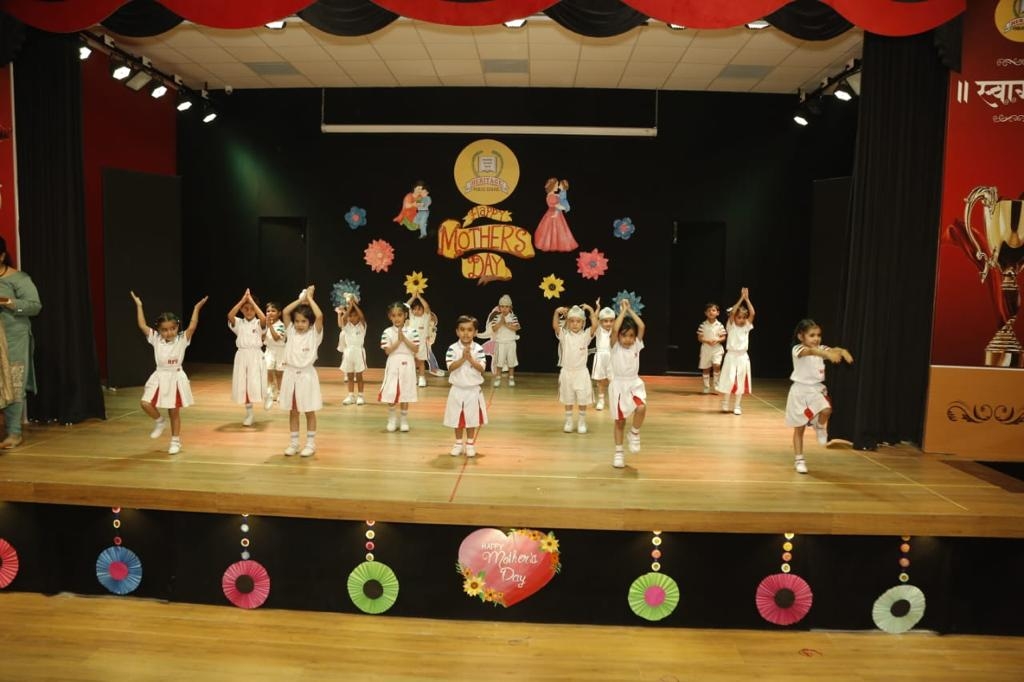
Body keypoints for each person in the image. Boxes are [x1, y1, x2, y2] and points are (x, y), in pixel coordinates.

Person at [130, 290, 208, 455]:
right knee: (145, 403)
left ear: (177, 327)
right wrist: (139, 305)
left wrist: (196, 308)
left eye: (173, 328)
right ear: (159, 330)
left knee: (174, 411)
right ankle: (159, 421)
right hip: (159, 376)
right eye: (165, 330)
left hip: (175, 377)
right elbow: (142, 325)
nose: (169, 332)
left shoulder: (182, 339)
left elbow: (193, 326)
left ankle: (175, 441)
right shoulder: (156, 339)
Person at [786, 319, 854, 474]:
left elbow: (833, 349)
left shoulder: (821, 348)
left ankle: (820, 426)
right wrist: (826, 354)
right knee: (799, 429)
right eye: (812, 335)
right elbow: (811, 352)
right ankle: (799, 460)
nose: (816, 338)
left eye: (818, 335)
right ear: (801, 336)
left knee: (826, 410)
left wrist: (843, 351)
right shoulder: (798, 349)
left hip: (816, 389)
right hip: (799, 392)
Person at [0, 238, 41, 449]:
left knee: (14, 382)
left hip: (14, 338)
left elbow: (35, 306)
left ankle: (14, 433)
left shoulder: (19, 279)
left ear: (1, 256)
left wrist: (8, 302)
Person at [279, 286, 324, 457]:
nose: (299, 324)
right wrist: (301, 299)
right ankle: (294, 443)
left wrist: (310, 299)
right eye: (297, 321)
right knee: (293, 411)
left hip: (307, 375)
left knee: (309, 410)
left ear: (309, 323)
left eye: (303, 321)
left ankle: (311, 444)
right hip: (290, 374)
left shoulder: (314, 334)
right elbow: (285, 311)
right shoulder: (290, 331)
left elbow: (319, 316)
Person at [609, 299, 647, 469]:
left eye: (631, 336)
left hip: (633, 383)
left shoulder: (636, 346)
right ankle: (618, 452)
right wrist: (622, 311)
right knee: (620, 422)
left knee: (641, 408)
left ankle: (634, 433)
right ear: (619, 336)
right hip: (618, 386)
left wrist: (630, 310)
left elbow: (642, 326)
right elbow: (615, 328)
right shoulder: (615, 346)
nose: (628, 339)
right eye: (624, 335)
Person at [444, 315, 488, 458]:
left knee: (471, 419)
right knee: (457, 418)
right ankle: (458, 444)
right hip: (457, 389)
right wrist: (463, 358)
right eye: (462, 330)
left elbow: (482, 368)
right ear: (457, 331)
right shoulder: (452, 348)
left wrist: (470, 359)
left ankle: (470, 444)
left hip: (472, 390)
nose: (466, 333)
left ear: (475, 332)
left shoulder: (479, 349)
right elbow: (450, 367)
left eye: (469, 330)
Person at [553, 303, 597, 433]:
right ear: (568, 322)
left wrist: (591, 310)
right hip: (567, 373)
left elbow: (595, 326)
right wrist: (556, 312)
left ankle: (582, 422)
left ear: (583, 323)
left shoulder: (585, 336)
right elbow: (555, 326)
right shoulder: (564, 335)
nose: (575, 324)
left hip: (581, 373)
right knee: (568, 398)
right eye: (572, 321)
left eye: (578, 321)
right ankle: (569, 421)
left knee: (582, 398)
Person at [227, 289, 267, 426]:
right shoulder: (239, 323)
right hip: (242, 356)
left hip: (255, 356)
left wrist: (251, 302)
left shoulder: (258, 323)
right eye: (246, 308)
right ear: (242, 309)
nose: (249, 311)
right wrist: (243, 300)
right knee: (244, 384)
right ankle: (249, 414)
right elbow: (230, 315)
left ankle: (267, 395)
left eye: (252, 308)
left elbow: (264, 319)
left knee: (256, 382)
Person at [379, 301, 420, 432]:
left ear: (405, 315)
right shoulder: (387, 332)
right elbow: (388, 351)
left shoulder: (413, 331)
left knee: (405, 391)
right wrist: (398, 340)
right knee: (391, 391)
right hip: (393, 362)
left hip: (408, 363)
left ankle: (404, 419)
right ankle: (392, 419)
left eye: (400, 315)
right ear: (390, 317)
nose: (397, 318)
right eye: (394, 315)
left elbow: (416, 348)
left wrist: (404, 339)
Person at [717, 288, 755, 415]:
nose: (742, 319)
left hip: (742, 356)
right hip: (731, 356)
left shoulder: (747, 327)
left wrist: (747, 299)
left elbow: (753, 313)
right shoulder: (731, 325)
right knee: (729, 379)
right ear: (734, 318)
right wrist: (741, 298)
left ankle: (737, 405)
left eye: (744, 317)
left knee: (740, 380)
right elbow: (733, 311)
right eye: (739, 317)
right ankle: (725, 403)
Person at [337, 293, 367, 406]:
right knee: (349, 375)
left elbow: (362, 316)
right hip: (348, 352)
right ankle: (350, 396)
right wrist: (350, 306)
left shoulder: (362, 326)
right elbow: (343, 318)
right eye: (351, 316)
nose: (352, 318)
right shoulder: (346, 326)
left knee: (359, 376)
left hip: (359, 352)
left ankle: (361, 396)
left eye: (355, 316)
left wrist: (354, 304)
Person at [534, 177, 578, 252]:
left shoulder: (553, 195)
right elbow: (556, 205)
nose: (557, 187)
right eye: (557, 185)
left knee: (558, 230)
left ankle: (555, 244)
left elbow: (558, 198)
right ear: (553, 186)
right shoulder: (551, 196)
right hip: (552, 214)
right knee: (552, 230)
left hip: (556, 214)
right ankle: (552, 245)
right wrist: (564, 208)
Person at [489, 294, 520, 387]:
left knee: (511, 360)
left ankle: (511, 378)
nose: (504, 309)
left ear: (510, 308)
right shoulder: (496, 317)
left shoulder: (513, 317)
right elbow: (494, 329)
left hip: (511, 342)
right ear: (499, 308)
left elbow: (517, 327)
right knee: (500, 361)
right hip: (500, 343)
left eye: (506, 307)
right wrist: (501, 322)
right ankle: (498, 378)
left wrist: (507, 324)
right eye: (502, 306)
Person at [697, 302, 727, 394]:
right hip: (706, 349)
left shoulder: (720, 325)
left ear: (717, 313)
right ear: (705, 313)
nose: (711, 312)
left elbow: (723, 337)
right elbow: (699, 338)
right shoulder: (703, 325)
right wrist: (707, 341)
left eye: (713, 310)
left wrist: (717, 340)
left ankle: (716, 386)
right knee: (706, 369)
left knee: (717, 365)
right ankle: (706, 387)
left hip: (716, 349)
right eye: (709, 310)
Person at [591, 303, 615, 410]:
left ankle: (614, 399)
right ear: (600, 322)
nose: (608, 323)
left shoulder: (615, 330)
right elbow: (594, 319)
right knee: (600, 380)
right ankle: (601, 400)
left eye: (611, 321)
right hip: (600, 356)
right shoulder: (598, 329)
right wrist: (597, 308)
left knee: (613, 380)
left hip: (612, 357)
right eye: (605, 321)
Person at [263, 301, 286, 410]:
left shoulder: (281, 325)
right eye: (268, 311)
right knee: (268, 371)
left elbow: (276, 338)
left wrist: (270, 326)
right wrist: (265, 329)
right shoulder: (265, 324)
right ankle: (271, 392)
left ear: (279, 313)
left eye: (273, 311)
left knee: (279, 374)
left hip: (280, 351)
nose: (270, 313)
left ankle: (280, 393)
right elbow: (262, 337)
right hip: (269, 350)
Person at [407, 293, 432, 387]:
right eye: (414, 309)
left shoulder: (425, 317)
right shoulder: (412, 316)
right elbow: (406, 306)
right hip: (411, 343)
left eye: (419, 309)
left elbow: (427, 307)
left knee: (421, 362)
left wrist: (420, 297)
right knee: (411, 361)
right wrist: (413, 297)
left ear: (423, 310)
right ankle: (412, 378)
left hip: (421, 344)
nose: (416, 311)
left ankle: (422, 378)